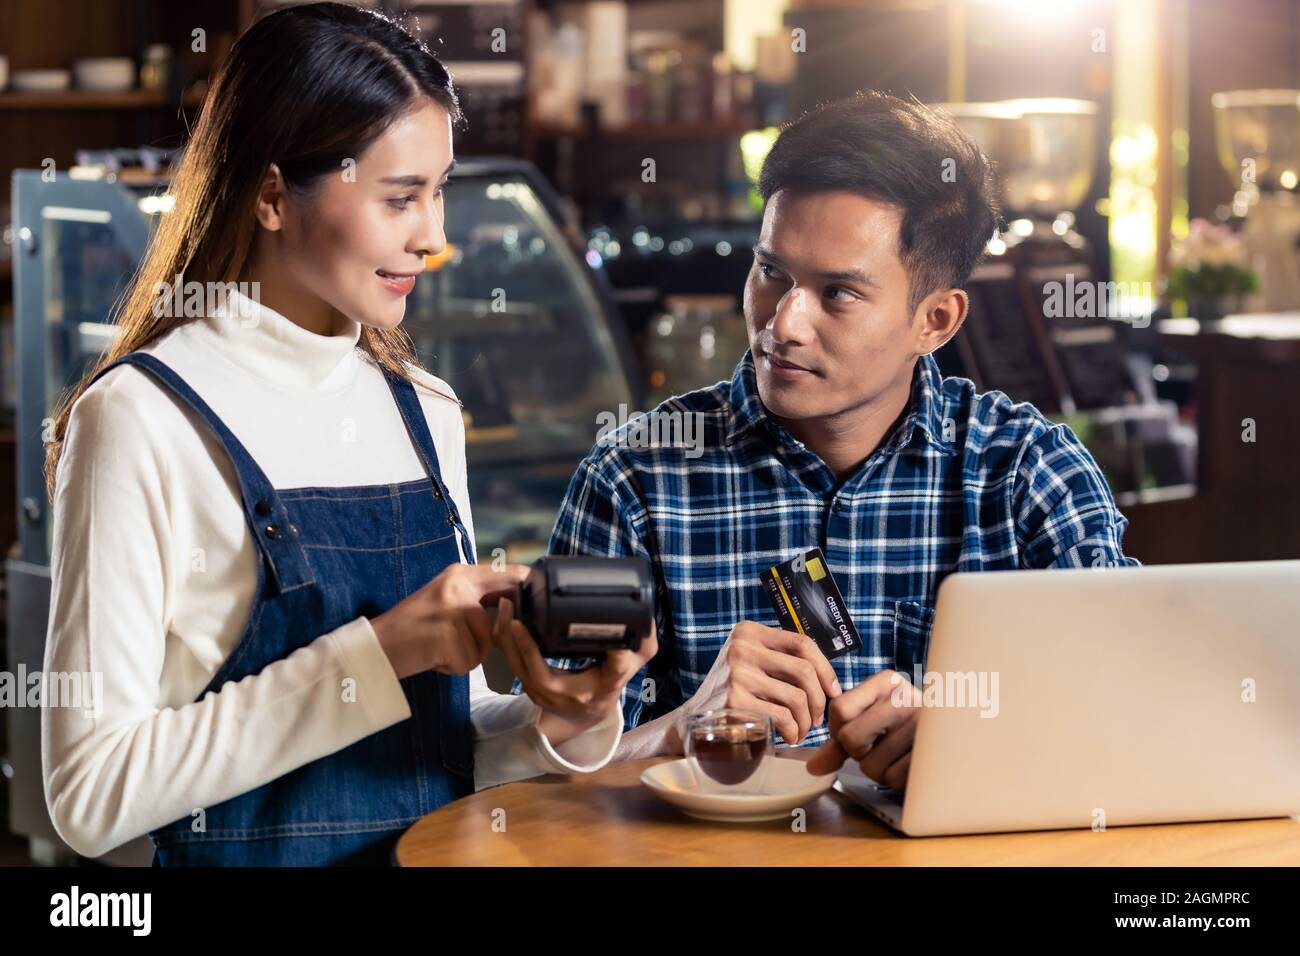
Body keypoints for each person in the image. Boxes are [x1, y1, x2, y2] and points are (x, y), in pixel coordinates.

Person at [41, 1, 654, 867]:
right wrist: (378, 653)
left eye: (439, 193)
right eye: (401, 197)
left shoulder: (425, 409)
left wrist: (565, 720)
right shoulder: (141, 417)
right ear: (270, 195)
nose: (435, 237)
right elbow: (89, 793)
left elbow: (443, 749)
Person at [525, 91, 1139, 789]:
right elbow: (541, 773)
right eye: (772, 273)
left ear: (936, 319)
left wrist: (976, 740)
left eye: (838, 294)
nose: (783, 324)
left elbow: (1131, 715)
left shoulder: (1031, 475)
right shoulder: (632, 479)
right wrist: (683, 727)